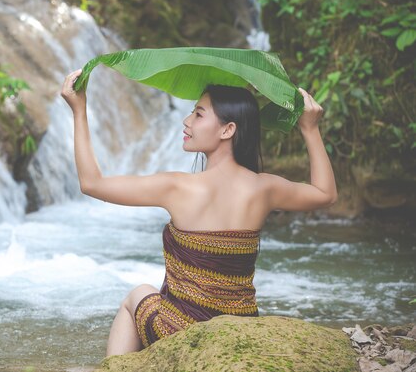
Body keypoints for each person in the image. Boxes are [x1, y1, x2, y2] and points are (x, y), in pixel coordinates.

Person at [60, 69, 338, 357]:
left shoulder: (176, 187)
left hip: (183, 330)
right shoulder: (263, 188)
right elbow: (326, 194)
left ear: (227, 130)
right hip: (240, 327)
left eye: (199, 114)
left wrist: (79, 110)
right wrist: (310, 128)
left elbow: (92, 184)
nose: (187, 121)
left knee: (138, 294)